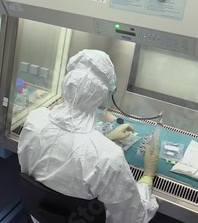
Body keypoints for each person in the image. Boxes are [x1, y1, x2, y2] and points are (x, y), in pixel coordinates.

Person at [18, 49, 159, 223]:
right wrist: (148, 176)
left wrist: (104, 141)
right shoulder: (109, 157)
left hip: (38, 216)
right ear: (101, 94)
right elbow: (133, 218)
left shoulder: (35, 121)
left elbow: (55, 159)